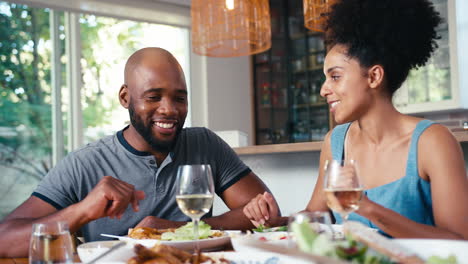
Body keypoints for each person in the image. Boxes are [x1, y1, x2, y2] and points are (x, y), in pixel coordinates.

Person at [0, 47, 272, 257]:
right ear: (125, 98)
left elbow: (264, 215)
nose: (169, 109)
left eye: (179, 98)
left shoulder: (204, 144)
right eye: (153, 97)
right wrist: (83, 211)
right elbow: (5, 239)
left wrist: (170, 230)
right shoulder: (85, 163)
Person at [243, 0, 468, 239]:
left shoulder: (432, 141)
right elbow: (319, 217)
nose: (323, 90)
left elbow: (459, 240)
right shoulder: (336, 142)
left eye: (336, 77)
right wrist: (278, 221)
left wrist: (365, 207)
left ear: (374, 77)